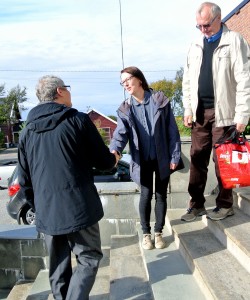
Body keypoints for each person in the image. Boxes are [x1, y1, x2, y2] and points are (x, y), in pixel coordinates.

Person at [18, 75, 119, 300]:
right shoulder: (78, 120)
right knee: (89, 257)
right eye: (68, 89)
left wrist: (40, 206)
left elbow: (24, 180)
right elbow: (103, 162)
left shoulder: (27, 132)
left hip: (47, 211)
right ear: (60, 91)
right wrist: (114, 158)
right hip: (79, 208)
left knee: (58, 267)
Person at [181, 2, 250, 222]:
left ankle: (225, 204)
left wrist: (242, 115)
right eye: (199, 26)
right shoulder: (194, 44)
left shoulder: (235, 40)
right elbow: (187, 80)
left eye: (206, 25)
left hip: (225, 113)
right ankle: (197, 205)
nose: (203, 29)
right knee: (197, 159)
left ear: (218, 19)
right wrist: (188, 108)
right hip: (200, 113)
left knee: (223, 161)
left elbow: (244, 80)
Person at [110, 66, 182, 250]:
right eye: (122, 82)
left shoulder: (159, 101)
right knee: (145, 195)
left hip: (162, 157)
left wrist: (175, 155)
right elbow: (120, 134)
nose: (125, 84)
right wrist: (114, 151)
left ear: (139, 79)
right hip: (141, 160)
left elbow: (172, 131)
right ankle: (146, 234)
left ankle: (158, 233)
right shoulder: (125, 109)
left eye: (128, 80)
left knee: (160, 195)